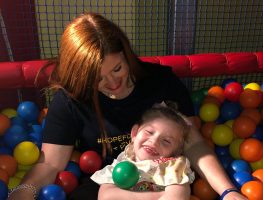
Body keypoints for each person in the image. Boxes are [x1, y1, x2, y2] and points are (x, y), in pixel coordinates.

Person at [8, 13, 247, 200]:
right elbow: (50, 163)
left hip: (163, 178)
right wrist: (23, 191)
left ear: (126, 56)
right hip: (109, 183)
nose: (112, 83)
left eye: (117, 69)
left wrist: (228, 192)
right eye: (97, 78)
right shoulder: (71, 100)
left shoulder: (160, 83)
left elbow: (192, 142)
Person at [91, 104, 195, 200]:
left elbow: (177, 197)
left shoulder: (172, 167)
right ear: (135, 133)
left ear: (175, 152)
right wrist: (159, 196)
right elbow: (106, 196)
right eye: (149, 132)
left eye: (166, 141)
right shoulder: (123, 162)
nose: (154, 141)